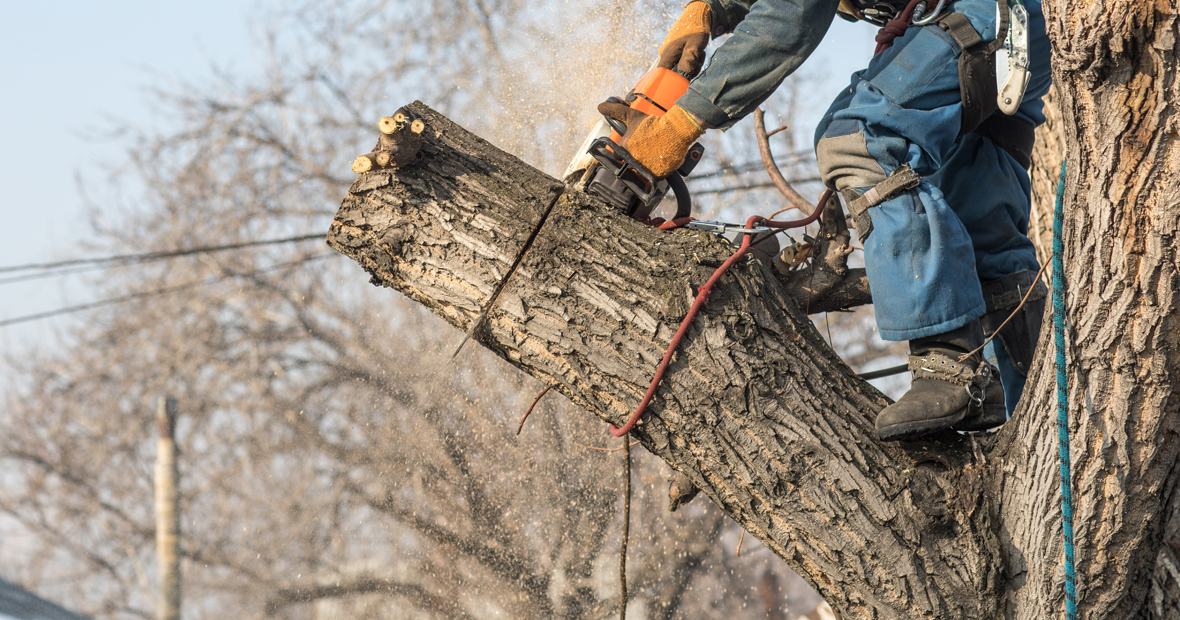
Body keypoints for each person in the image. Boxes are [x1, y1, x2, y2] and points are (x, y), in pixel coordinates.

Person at [598, 0, 1051, 440]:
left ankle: (948, 361)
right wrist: (716, 9)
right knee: (979, 222)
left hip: (988, 19)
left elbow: (791, 16)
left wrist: (680, 125)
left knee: (857, 139)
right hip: (1016, 28)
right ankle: (1038, 419)